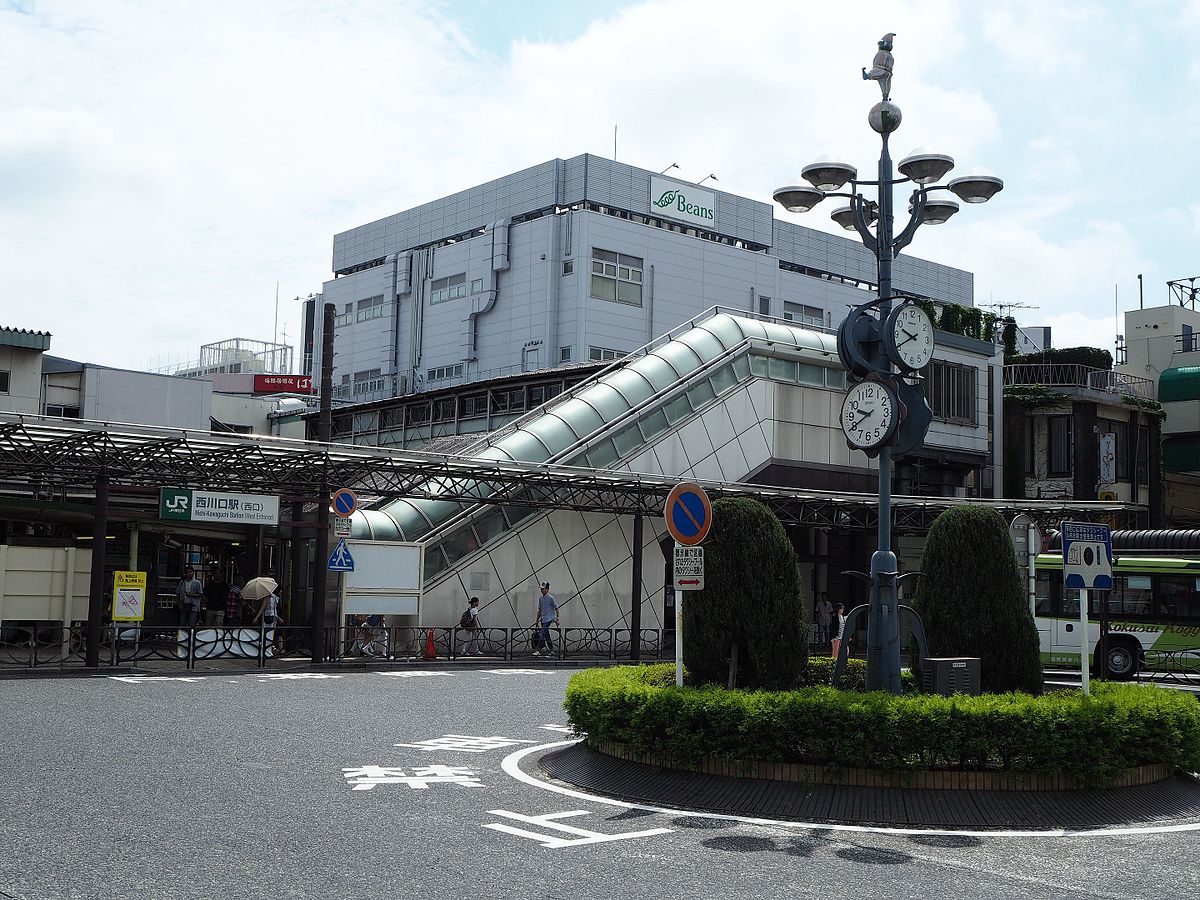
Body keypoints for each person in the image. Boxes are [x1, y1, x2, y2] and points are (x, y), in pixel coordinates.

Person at [532, 582, 558, 657]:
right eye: (541, 589)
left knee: (541, 633)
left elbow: (556, 608)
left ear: (547, 589)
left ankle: (539, 649)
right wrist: (537, 620)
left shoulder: (551, 598)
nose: (541, 590)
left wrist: (557, 619)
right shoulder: (540, 599)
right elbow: (539, 610)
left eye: (543, 589)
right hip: (543, 619)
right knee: (547, 636)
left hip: (549, 619)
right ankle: (551, 650)